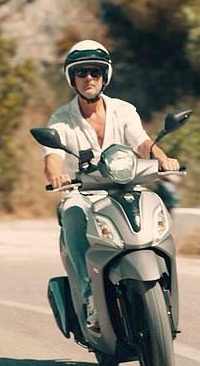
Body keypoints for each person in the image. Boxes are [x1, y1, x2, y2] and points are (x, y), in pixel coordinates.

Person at [42, 39, 180, 329]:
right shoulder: (61, 119)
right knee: (72, 213)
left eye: (95, 71)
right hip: (83, 193)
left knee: (154, 205)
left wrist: (163, 158)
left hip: (125, 187)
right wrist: (56, 175)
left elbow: (142, 142)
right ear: (72, 78)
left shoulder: (124, 110)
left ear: (105, 76)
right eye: (81, 72)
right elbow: (52, 156)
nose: (88, 77)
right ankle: (91, 296)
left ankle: (162, 285)